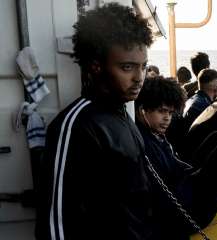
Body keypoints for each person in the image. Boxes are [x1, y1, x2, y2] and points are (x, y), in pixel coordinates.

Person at [35, 4, 155, 239]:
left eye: (144, 67)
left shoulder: (122, 117)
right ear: (96, 66)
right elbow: (54, 225)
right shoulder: (74, 126)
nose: (139, 78)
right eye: (127, 67)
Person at [135, 77, 217, 239]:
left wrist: (200, 171)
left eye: (169, 112)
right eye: (161, 111)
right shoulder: (144, 144)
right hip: (185, 214)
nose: (167, 118)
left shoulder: (152, 133)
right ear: (142, 110)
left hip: (182, 189)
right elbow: (165, 197)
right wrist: (204, 176)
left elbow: (176, 165)